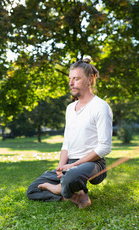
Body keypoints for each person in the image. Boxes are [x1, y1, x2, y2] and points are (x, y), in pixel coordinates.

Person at [27, 57, 113, 208]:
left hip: (93, 163)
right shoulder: (70, 109)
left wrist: (74, 166)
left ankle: (60, 188)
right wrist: (61, 167)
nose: (70, 83)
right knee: (33, 189)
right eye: (70, 78)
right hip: (69, 164)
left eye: (76, 79)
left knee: (72, 175)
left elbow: (105, 147)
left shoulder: (101, 107)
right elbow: (66, 143)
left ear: (90, 80)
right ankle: (75, 197)